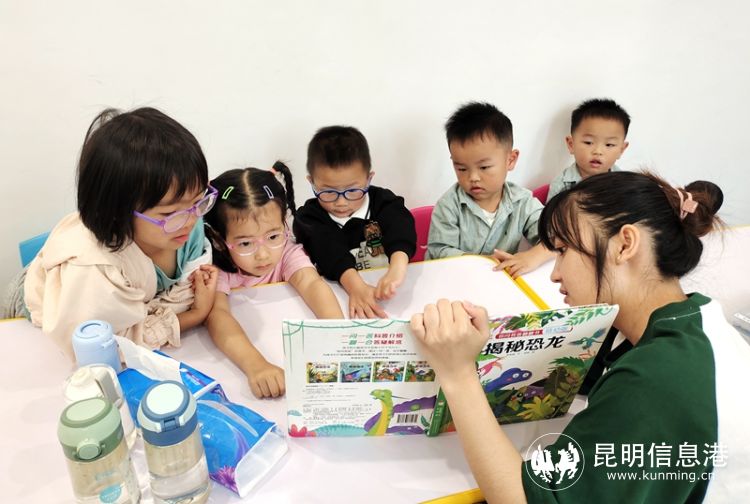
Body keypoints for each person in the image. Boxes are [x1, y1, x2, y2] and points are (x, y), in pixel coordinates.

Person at [411, 171, 749, 502]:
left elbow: (522, 498)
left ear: (625, 245)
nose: (555, 273)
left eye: (563, 250)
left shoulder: (656, 379)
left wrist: (458, 374)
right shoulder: (694, 317)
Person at [24, 107, 218, 359]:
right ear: (116, 212)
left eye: (198, 200)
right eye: (170, 213)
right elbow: (102, 347)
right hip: (52, 300)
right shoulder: (95, 270)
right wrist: (195, 315)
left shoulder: (187, 223)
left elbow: (190, 287)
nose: (191, 220)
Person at [204, 163, 344, 398]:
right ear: (219, 240)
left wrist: (339, 332)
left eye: (272, 236)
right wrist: (256, 365)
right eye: (245, 243)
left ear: (284, 224)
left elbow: (311, 283)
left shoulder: (287, 251)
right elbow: (217, 315)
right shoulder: (217, 268)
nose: (263, 254)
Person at [294, 126, 416, 318]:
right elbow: (328, 251)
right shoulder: (308, 218)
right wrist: (356, 287)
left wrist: (397, 269)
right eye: (328, 192)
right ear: (312, 182)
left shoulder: (384, 202)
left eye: (352, 190)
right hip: (340, 298)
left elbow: (401, 228)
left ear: (368, 179)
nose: (341, 202)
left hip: (393, 296)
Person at [426, 102, 554, 278]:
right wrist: (482, 263)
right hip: (456, 280)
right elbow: (439, 252)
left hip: (499, 282)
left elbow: (558, 237)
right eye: (462, 169)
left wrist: (533, 256)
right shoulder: (448, 206)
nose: (473, 177)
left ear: (510, 160)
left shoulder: (522, 201)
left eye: (484, 167)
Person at [547, 98, 630, 201]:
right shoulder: (561, 186)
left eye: (609, 145)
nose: (598, 151)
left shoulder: (624, 182)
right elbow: (551, 211)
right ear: (571, 144)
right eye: (588, 142)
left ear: (621, 150)